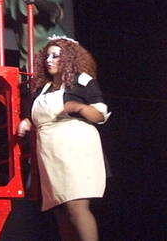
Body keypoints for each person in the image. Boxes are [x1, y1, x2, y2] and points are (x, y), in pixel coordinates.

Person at [17, 36, 110, 241]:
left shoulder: (82, 80)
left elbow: (100, 115)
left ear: (68, 58)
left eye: (55, 56)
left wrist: (79, 107)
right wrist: (27, 122)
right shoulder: (42, 88)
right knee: (60, 209)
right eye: (47, 56)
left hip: (76, 146)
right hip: (50, 152)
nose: (49, 60)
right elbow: (37, 116)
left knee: (76, 205)